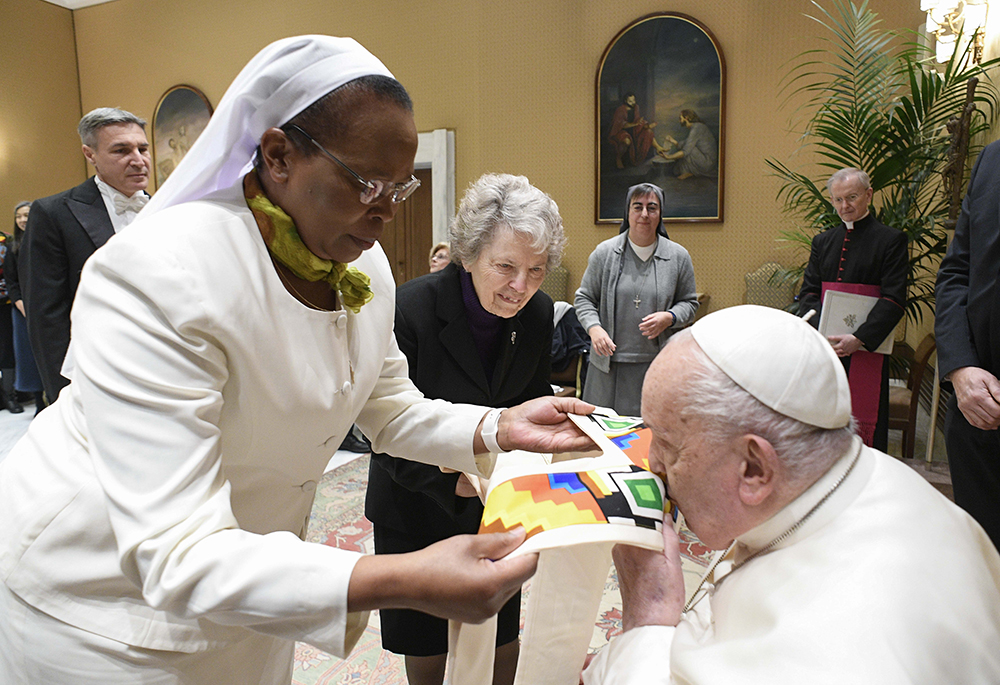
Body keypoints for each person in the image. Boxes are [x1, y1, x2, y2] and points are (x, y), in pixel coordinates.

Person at [0, 36, 595, 685]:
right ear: (278, 155)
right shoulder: (157, 276)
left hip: (253, 582)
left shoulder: (360, 261)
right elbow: (174, 553)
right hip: (102, 608)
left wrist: (499, 429)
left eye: (398, 189)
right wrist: (399, 576)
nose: (384, 212)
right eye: (366, 182)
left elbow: (391, 406)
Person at [582, 304, 1000, 684]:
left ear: (755, 468)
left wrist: (645, 628)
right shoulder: (869, 477)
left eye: (669, 446)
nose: (652, 463)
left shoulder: (842, 645)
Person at [367, 173, 565, 685]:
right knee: (427, 647)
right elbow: (385, 424)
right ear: (470, 253)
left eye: (536, 271)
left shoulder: (539, 313)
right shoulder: (411, 309)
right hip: (417, 501)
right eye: (506, 266)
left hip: (497, 503)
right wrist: (452, 479)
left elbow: (529, 395)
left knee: (500, 637)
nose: (520, 287)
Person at [21, 107, 152, 405]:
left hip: (163, 364)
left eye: (142, 148)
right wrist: (62, 392)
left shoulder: (168, 208)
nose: (138, 160)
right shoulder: (53, 213)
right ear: (90, 154)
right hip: (94, 370)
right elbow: (46, 316)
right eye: (121, 150)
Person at [797, 168, 907, 450]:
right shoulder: (823, 241)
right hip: (827, 348)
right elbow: (809, 292)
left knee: (865, 422)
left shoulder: (891, 240)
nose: (844, 206)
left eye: (852, 197)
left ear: (868, 195)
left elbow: (894, 299)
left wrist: (859, 338)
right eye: (838, 200)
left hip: (865, 348)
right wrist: (823, 333)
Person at [575, 183, 698, 416]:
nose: (644, 214)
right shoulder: (604, 253)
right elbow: (584, 299)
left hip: (656, 364)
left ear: (660, 214)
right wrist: (595, 329)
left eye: (652, 208)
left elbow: (690, 304)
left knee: (648, 435)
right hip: (606, 367)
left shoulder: (678, 256)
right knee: (603, 436)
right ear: (627, 212)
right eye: (637, 206)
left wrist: (670, 316)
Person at [936, 139, 1000, 551]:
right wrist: (960, 367)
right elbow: (957, 272)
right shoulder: (992, 159)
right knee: (985, 560)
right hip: (977, 406)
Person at [4, 202, 44, 413]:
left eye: (27, 215)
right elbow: (11, 282)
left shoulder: (45, 241)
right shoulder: (11, 247)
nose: (23, 220)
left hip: (46, 307)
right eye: (19, 216)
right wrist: (22, 306)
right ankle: (38, 403)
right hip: (22, 311)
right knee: (29, 358)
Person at [656, 110, 718, 179]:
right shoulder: (696, 127)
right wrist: (672, 141)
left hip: (707, 162)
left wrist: (669, 157)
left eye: (680, 118)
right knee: (676, 170)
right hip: (704, 159)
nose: (679, 121)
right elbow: (685, 144)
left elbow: (686, 151)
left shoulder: (697, 128)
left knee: (688, 149)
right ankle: (689, 172)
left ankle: (689, 172)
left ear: (687, 118)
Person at [0, 210, 21, 413]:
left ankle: (10, 396)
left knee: (6, 350)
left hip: (4, 305)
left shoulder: (6, 240)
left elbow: (11, 275)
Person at [609, 93, 657, 169]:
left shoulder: (636, 107)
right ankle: (618, 158)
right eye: (630, 101)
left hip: (634, 130)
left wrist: (641, 123)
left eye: (633, 100)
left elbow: (637, 120)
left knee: (648, 132)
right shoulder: (620, 110)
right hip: (620, 131)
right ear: (625, 101)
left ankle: (658, 147)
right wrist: (635, 124)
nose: (633, 103)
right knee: (627, 141)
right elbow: (621, 125)